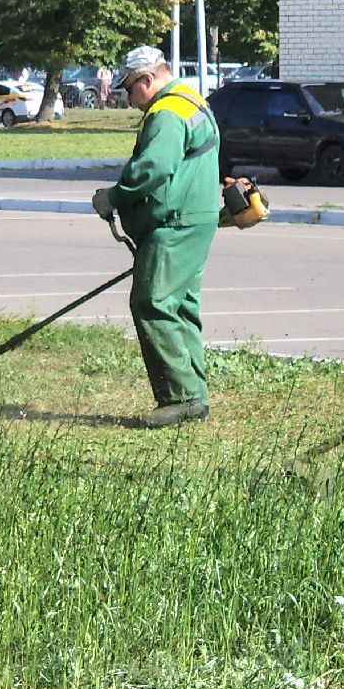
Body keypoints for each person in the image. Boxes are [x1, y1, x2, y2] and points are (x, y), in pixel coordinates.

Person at [92, 46, 220, 428]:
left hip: (173, 224)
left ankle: (181, 398)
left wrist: (112, 197)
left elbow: (154, 167)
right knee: (180, 307)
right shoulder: (194, 102)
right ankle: (195, 395)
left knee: (153, 303)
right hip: (195, 219)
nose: (129, 100)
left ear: (146, 80)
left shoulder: (166, 113)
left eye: (129, 90)